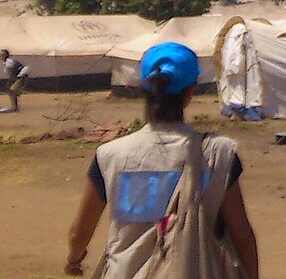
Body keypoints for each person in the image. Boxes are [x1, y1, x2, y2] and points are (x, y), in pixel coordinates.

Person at [65, 42, 259, 279]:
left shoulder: (110, 156)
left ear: (143, 89)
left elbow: (79, 233)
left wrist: (74, 259)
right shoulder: (218, 154)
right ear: (190, 92)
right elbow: (242, 236)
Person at [1, 48, 28, 113]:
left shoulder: (8, 62)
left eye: (2, 55)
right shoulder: (5, 62)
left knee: (12, 90)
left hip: (21, 75)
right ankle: (14, 106)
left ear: (6, 55)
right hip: (19, 75)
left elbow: (13, 73)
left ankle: (14, 107)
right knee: (12, 91)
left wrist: (11, 82)